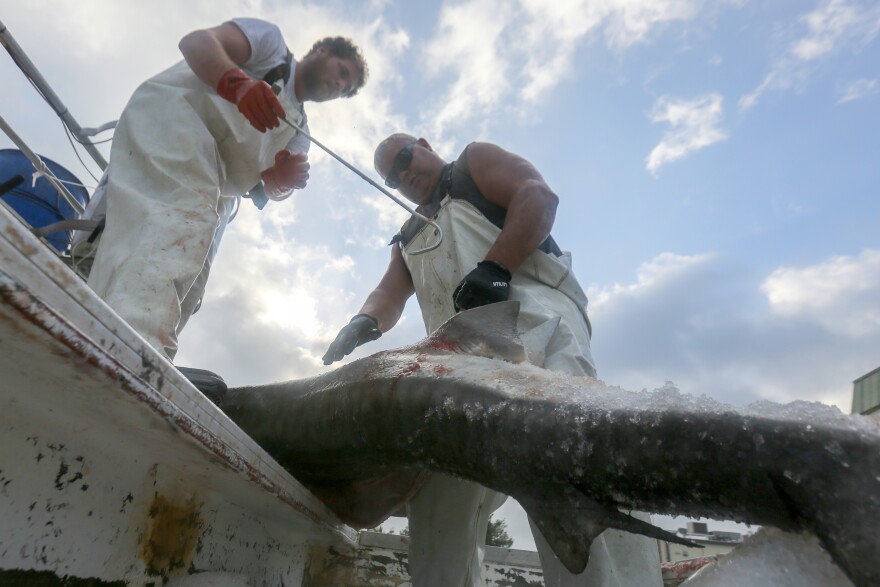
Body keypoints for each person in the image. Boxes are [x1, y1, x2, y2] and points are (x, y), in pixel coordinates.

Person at [323, 133, 663, 586]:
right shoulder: (407, 236)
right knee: (442, 486)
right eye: (392, 175)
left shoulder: (472, 164)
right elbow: (389, 292)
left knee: (566, 450)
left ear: (424, 144)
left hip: (536, 319)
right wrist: (364, 320)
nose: (403, 175)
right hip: (462, 359)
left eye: (404, 158)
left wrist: (497, 267)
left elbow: (536, 195)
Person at [87, 18, 368, 360]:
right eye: (342, 72)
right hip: (175, 121)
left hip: (215, 188)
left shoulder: (299, 132)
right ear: (322, 51)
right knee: (171, 233)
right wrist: (238, 84)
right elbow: (196, 42)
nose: (340, 85)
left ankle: (142, 352)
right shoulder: (271, 46)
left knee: (190, 285)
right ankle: (125, 350)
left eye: (347, 87)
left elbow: (272, 190)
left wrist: (281, 180)